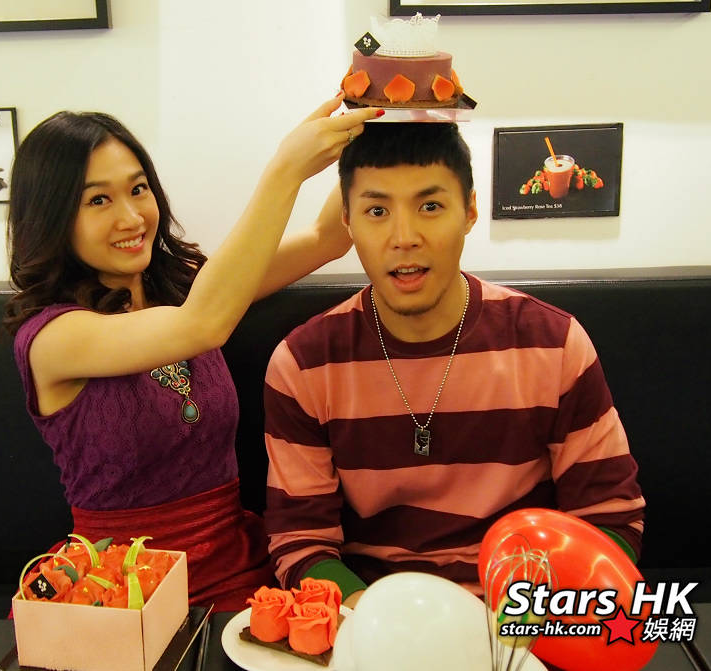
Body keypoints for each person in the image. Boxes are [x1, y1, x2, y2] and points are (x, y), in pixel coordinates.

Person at [2, 96, 382, 612]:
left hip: (235, 569)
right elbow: (204, 324)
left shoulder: (183, 287)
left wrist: (377, 125)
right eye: (98, 200)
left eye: (138, 189)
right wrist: (285, 169)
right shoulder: (52, 338)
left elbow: (326, 238)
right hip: (122, 592)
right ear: (52, 216)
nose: (131, 216)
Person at [261, 121, 645, 608]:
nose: (404, 237)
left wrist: (522, 621)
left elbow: (609, 519)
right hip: (375, 616)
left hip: (519, 619)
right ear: (348, 222)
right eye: (377, 211)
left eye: (430, 207)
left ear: (469, 212)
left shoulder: (553, 344)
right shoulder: (303, 365)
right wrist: (380, 622)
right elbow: (301, 542)